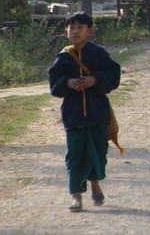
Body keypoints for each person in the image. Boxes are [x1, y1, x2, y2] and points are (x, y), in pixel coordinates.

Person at [48, 12, 121, 212]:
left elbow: (114, 75)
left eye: (80, 27)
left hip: (98, 114)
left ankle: (95, 184)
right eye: (71, 27)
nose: (75, 31)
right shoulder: (63, 58)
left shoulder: (98, 53)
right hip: (74, 116)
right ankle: (76, 196)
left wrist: (95, 80)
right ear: (66, 32)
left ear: (90, 31)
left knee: (97, 152)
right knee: (74, 155)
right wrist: (67, 82)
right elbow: (54, 85)